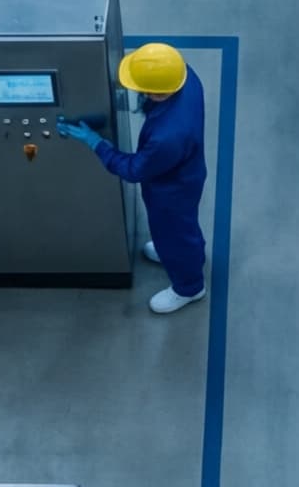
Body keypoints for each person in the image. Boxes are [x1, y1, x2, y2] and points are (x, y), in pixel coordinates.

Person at [57, 42, 208, 315]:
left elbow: (133, 169)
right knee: (175, 231)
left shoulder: (167, 137)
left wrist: (96, 143)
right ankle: (177, 252)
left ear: (157, 93)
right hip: (185, 173)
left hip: (172, 191)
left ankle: (190, 287)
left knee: (175, 231)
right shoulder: (186, 75)